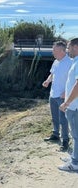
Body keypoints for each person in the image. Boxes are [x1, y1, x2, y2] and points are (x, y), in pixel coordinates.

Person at [42, 40, 72, 151]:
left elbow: (73, 80)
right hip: (53, 94)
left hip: (63, 96)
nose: (52, 52)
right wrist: (47, 80)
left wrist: (66, 92)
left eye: (54, 50)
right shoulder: (56, 62)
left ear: (62, 50)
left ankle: (65, 140)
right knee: (54, 118)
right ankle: (55, 134)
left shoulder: (70, 62)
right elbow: (52, 74)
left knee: (63, 119)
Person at [58, 38, 78, 171]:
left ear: (76, 47)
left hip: (75, 106)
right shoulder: (75, 61)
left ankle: (75, 164)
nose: (67, 49)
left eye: (69, 47)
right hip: (73, 104)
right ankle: (74, 156)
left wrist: (67, 102)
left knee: (76, 135)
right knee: (74, 133)